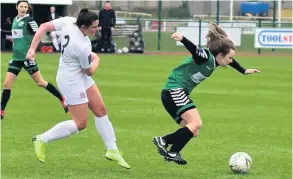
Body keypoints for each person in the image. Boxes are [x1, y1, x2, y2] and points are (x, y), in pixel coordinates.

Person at [26, 8, 131, 169]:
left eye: (97, 26)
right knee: (81, 123)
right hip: (70, 79)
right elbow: (89, 71)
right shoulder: (81, 45)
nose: (97, 29)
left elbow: (43, 27)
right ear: (83, 27)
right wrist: (97, 60)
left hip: (78, 74)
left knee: (101, 110)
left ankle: (112, 150)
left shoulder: (69, 21)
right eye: (94, 27)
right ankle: (42, 139)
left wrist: (32, 49)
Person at [153, 22, 260, 165]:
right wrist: (182, 38)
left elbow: (232, 62)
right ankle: (168, 146)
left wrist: (243, 71)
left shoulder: (216, 61)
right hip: (175, 90)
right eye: (229, 58)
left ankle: (169, 146)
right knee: (196, 123)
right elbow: (195, 50)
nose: (231, 61)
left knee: (193, 131)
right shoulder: (206, 57)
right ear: (221, 55)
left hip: (173, 94)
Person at [0, 0, 68, 120]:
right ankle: (1, 111)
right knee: (7, 84)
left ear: (28, 8)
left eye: (25, 7)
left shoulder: (30, 20)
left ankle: (62, 99)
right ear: (17, 7)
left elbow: (39, 33)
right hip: (16, 58)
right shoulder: (15, 20)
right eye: (21, 6)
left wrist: (32, 50)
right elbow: (17, 37)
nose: (23, 8)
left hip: (27, 57)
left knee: (41, 82)